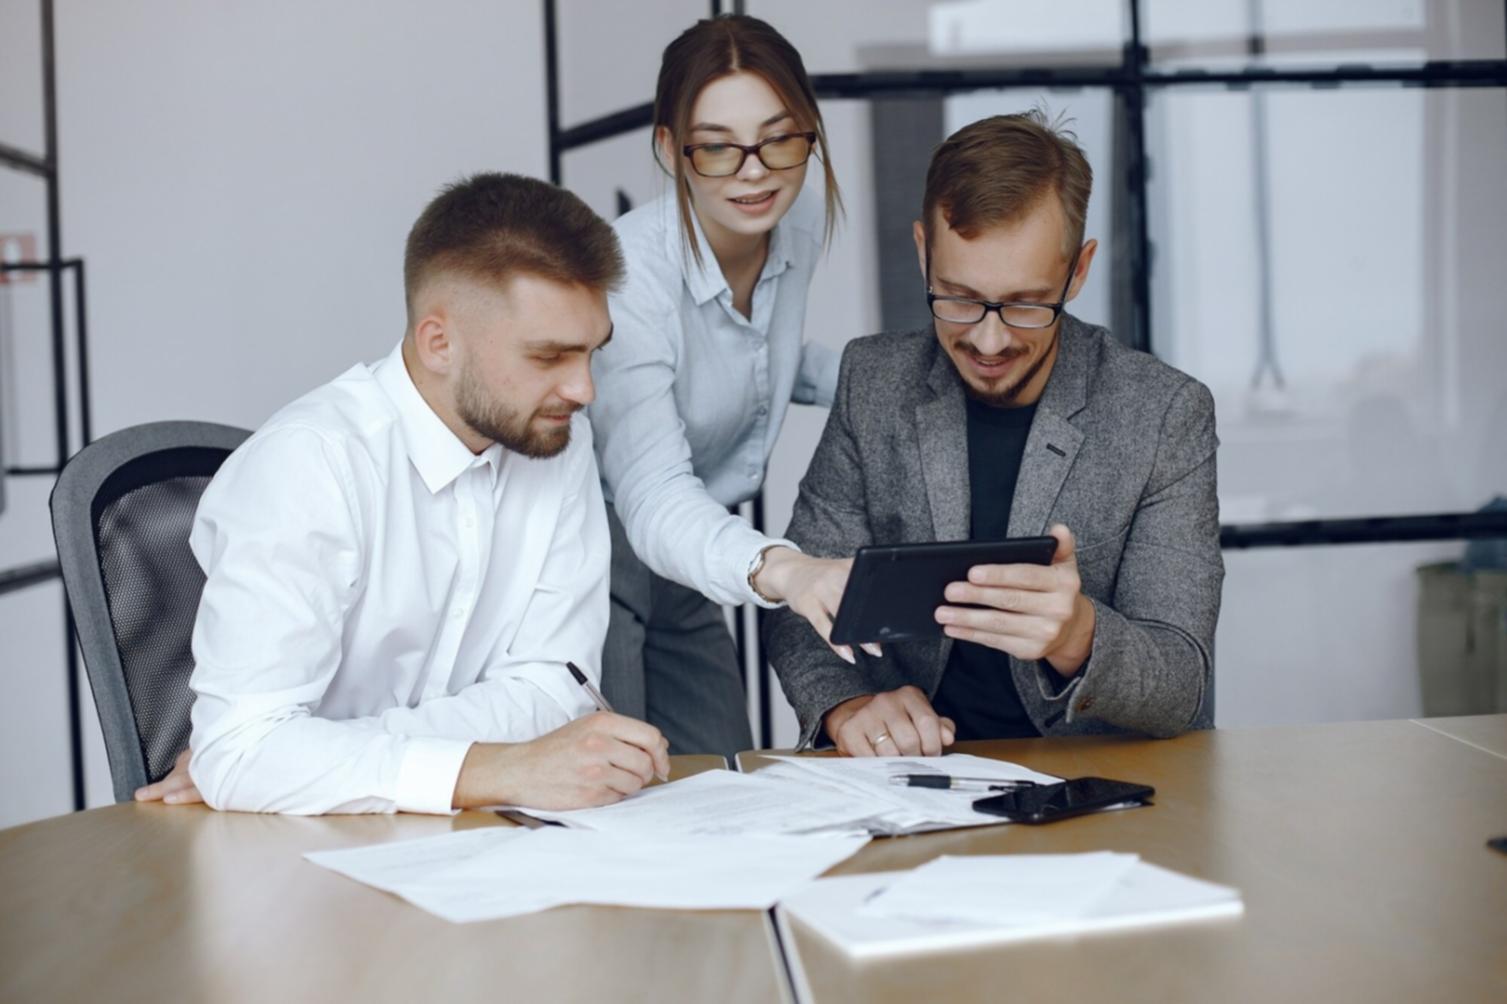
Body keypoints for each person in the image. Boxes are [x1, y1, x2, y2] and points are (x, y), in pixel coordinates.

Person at [135, 172, 669, 813]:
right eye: (548, 356)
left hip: (456, 838)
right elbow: (244, 754)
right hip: (294, 852)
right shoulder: (309, 463)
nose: (584, 390)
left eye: (591, 352)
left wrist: (317, 757)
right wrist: (500, 766)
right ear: (439, 343)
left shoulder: (557, 441)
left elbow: (557, 690)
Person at [765, 111, 1224, 756]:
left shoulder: (1163, 413)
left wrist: (1078, 634)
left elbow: (1180, 683)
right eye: (958, 298)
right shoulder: (873, 382)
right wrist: (850, 706)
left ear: (1079, 271)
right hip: (914, 777)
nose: (988, 340)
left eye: (1026, 304)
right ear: (923, 253)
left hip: (1102, 780)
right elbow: (801, 603)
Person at [591, 14, 866, 759]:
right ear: (669, 149)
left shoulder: (795, 217)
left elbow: (759, 355)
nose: (754, 171)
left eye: (779, 138)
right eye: (716, 146)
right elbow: (650, 491)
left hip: (696, 545)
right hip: (599, 553)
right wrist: (786, 568)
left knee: (725, 773)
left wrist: (889, 379)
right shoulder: (630, 276)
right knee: (621, 788)